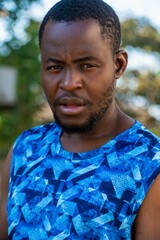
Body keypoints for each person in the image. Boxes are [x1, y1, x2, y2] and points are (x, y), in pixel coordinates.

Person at [0, 0, 160, 239]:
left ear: (118, 65)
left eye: (87, 65)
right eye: (55, 67)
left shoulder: (150, 163)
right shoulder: (25, 149)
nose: (69, 83)